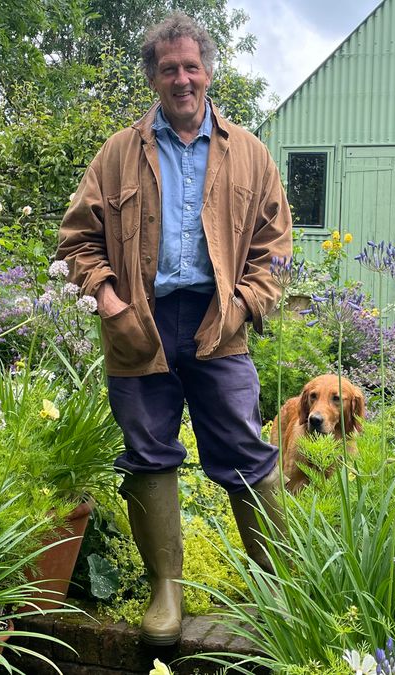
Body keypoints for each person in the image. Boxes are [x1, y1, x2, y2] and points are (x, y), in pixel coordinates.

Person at [55, 11, 292, 646]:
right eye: (169, 70)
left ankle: (282, 587)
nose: (182, 79)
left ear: (209, 72)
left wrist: (243, 305)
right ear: (154, 79)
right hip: (140, 322)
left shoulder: (251, 155)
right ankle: (167, 591)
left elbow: (275, 251)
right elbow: (78, 238)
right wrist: (108, 301)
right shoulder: (117, 154)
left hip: (221, 321)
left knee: (244, 449)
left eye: (191, 67)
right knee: (148, 451)